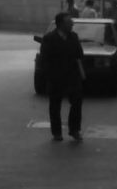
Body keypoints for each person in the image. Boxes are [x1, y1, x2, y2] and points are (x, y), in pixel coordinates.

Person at [40, 12, 85, 142]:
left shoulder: (74, 37)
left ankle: (74, 130)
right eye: (68, 22)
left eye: (71, 22)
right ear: (60, 24)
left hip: (72, 76)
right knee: (55, 105)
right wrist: (48, 76)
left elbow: (79, 55)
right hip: (56, 77)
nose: (72, 24)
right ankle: (57, 132)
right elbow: (45, 59)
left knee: (76, 103)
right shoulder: (49, 38)